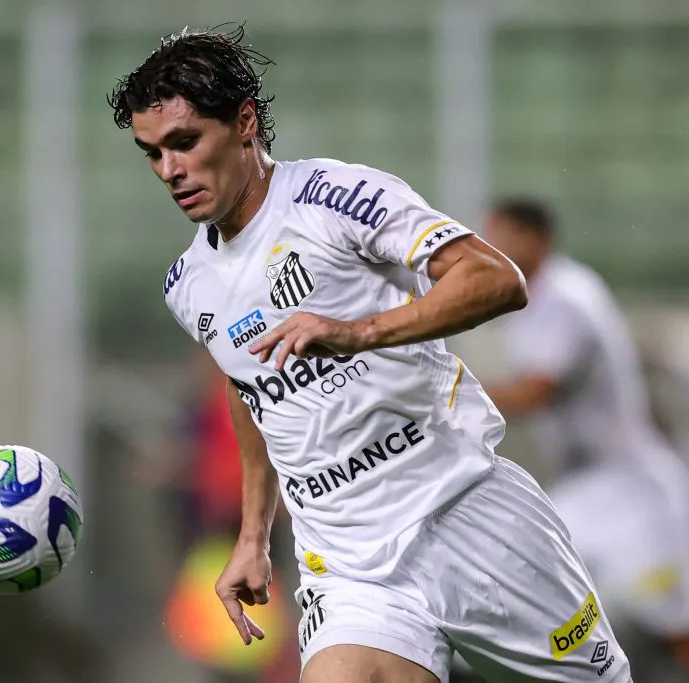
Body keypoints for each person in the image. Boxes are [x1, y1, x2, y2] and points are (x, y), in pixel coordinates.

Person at [108, 25, 634, 683]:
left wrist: (358, 331)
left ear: (244, 123)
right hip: (347, 561)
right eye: (152, 153)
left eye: (185, 143)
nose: (170, 170)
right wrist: (252, 534)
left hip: (465, 511)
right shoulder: (188, 285)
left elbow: (495, 278)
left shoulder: (333, 198)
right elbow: (250, 393)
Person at [482, 199, 689, 678]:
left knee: (675, 625)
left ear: (534, 239)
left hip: (630, 490)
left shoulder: (566, 298)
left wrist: (444, 389)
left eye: (498, 234)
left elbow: (538, 391)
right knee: (537, 590)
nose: (486, 246)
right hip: (590, 487)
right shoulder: (533, 300)